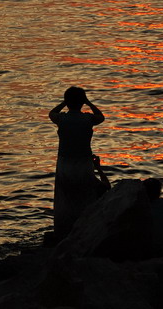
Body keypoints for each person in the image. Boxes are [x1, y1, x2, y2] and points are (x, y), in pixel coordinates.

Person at [49, 86, 105, 239]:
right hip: (84, 162)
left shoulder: (62, 119)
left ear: (67, 102)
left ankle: (64, 230)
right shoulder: (88, 119)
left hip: (65, 163)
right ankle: (85, 228)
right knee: (85, 195)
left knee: (65, 197)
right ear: (82, 102)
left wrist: (64, 102)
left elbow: (51, 113)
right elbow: (101, 117)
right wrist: (88, 102)